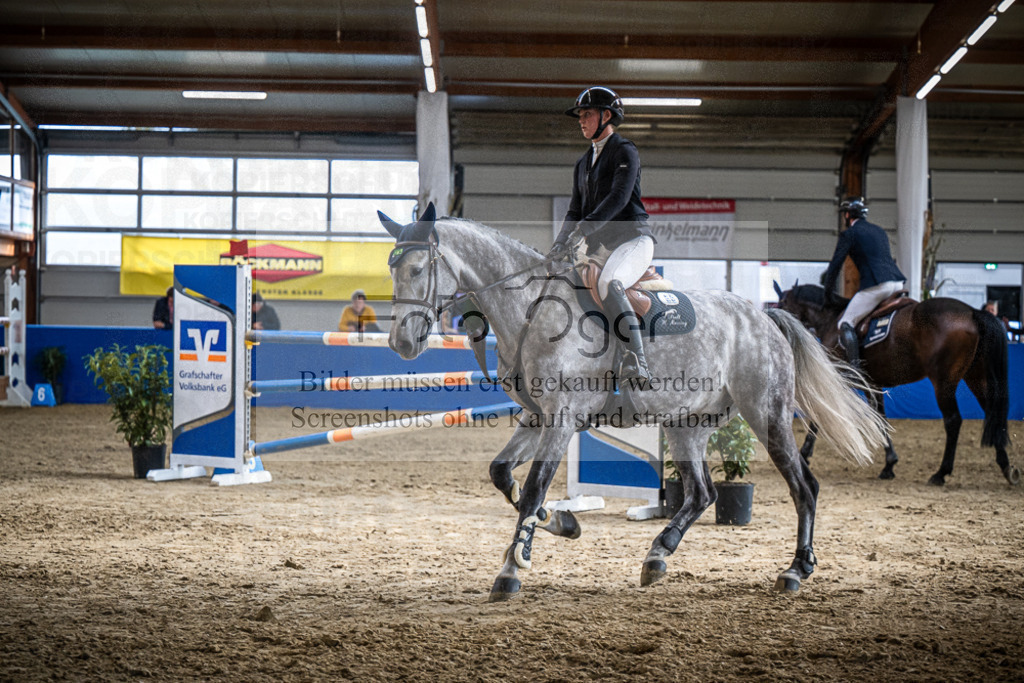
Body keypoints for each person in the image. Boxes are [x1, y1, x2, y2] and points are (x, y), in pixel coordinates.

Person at [547, 86, 655, 388]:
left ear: (606, 116)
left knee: (609, 282)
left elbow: (619, 198)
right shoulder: (582, 163)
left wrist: (585, 229)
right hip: (601, 247)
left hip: (632, 241)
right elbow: (574, 209)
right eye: (580, 116)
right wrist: (559, 243)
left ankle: (638, 360)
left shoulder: (625, 151)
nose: (581, 120)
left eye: (587, 114)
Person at [822, 197, 906, 366]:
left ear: (847, 215)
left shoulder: (850, 234)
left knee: (845, 323)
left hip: (878, 286)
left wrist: (827, 291)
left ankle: (855, 367)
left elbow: (836, 263)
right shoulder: (879, 230)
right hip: (897, 283)